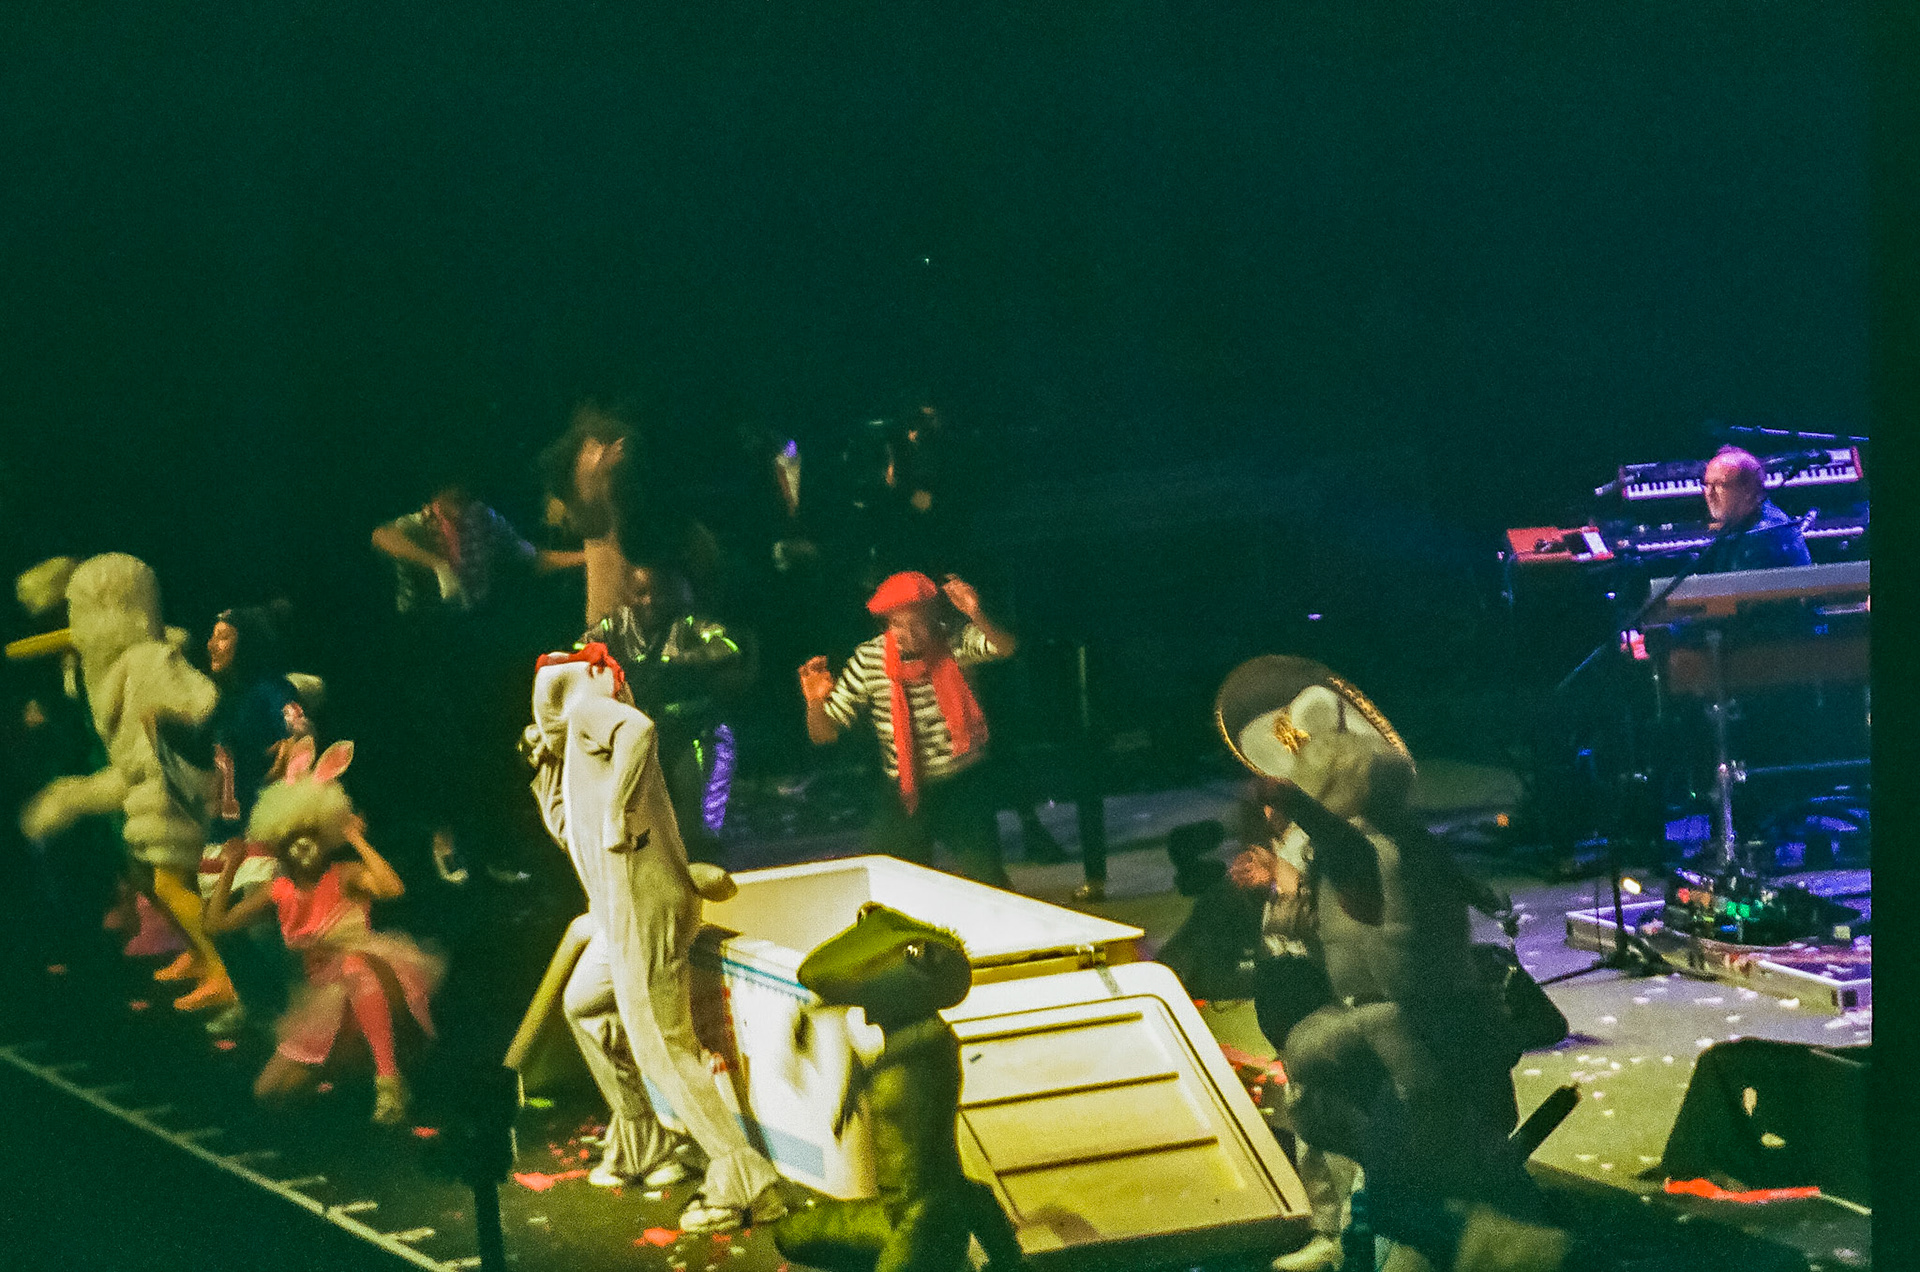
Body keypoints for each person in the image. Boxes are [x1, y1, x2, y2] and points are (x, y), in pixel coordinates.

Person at [1215, 656, 1536, 1272]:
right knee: (1407, 1159)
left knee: (1405, 1165)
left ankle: (1431, 1244)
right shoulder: (1404, 842)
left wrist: (1284, 800)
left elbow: (1334, 843)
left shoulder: (1363, 850)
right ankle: (1390, 1236)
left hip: (1406, 1037)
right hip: (1424, 1025)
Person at [527, 650, 786, 1233]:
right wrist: (546, 772)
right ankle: (643, 1141)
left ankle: (745, 1182)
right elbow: (571, 831)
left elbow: (640, 731)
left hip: (641, 906)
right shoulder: (580, 746)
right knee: (585, 1007)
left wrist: (618, 814)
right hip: (618, 910)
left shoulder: (593, 711)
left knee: (664, 1049)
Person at [206, 739, 442, 1126]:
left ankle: (389, 1082)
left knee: (353, 965)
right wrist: (231, 867)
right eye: (292, 836)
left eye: (311, 834)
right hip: (322, 1002)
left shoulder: (344, 876)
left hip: (373, 983)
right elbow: (216, 925)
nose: (303, 845)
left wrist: (356, 839)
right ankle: (347, 1080)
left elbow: (392, 888)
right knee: (269, 1094)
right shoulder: (278, 891)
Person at [371, 466, 581, 885]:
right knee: (439, 745)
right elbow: (381, 536)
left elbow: (531, 557)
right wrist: (437, 564)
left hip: (469, 640)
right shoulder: (417, 523)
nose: (461, 505)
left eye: (464, 497)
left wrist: (588, 557)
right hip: (424, 641)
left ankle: (493, 850)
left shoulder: (483, 519)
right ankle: (445, 841)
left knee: (485, 744)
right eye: (454, 498)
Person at [799, 572, 1017, 887]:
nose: (907, 633)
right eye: (898, 625)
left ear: (933, 620)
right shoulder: (869, 659)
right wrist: (815, 702)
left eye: (916, 624)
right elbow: (824, 735)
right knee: (892, 884)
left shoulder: (953, 642)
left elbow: (1005, 647)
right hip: (905, 789)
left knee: (989, 883)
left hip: (962, 784)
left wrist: (976, 613)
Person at [577, 561, 750, 864]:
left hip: (690, 732)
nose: (650, 601)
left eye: (658, 593)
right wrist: (609, 667)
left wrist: (681, 661)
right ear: (627, 595)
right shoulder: (614, 626)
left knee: (696, 817)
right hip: (635, 739)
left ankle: (702, 852)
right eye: (641, 593)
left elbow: (729, 646)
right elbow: (579, 652)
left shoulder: (689, 624)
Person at [1699, 446, 1811, 572]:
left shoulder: (1763, 536)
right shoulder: (1743, 521)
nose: (1709, 493)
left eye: (1719, 485)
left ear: (1748, 491)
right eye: (1706, 484)